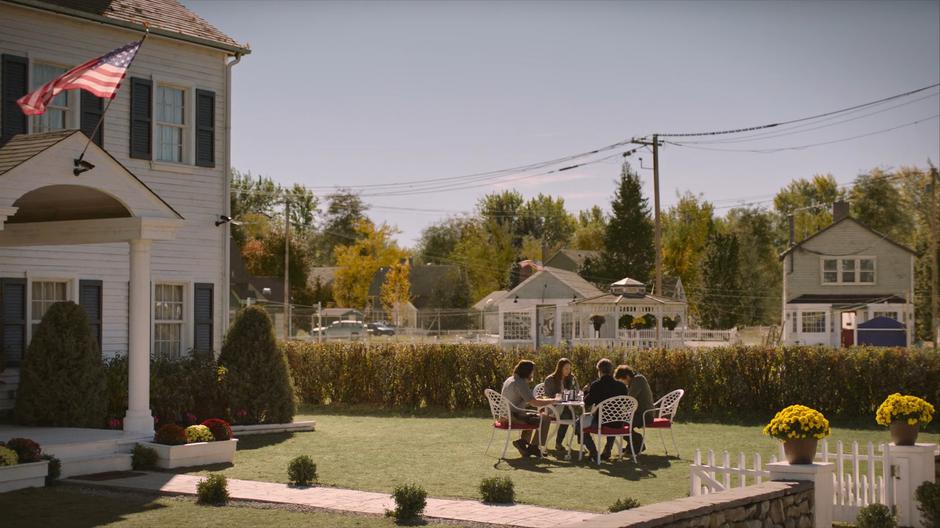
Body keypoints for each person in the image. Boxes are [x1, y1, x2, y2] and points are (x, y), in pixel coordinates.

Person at [500, 360, 555, 457]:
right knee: (545, 418)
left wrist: (537, 399)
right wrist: (553, 400)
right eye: (532, 371)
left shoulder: (511, 379)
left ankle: (523, 443)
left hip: (504, 415)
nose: (533, 373)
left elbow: (527, 399)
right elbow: (534, 403)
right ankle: (533, 447)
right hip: (513, 417)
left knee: (533, 417)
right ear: (527, 372)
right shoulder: (520, 382)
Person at [578, 358, 629, 461]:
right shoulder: (622, 386)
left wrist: (585, 392)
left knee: (579, 424)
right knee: (612, 418)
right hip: (618, 422)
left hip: (601, 423)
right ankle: (607, 450)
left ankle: (593, 452)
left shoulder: (596, 385)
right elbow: (626, 405)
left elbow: (587, 403)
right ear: (611, 370)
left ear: (599, 371)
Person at [542, 358, 579, 452]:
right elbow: (549, 396)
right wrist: (561, 395)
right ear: (560, 368)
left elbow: (576, 392)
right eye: (566, 368)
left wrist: (575, 384)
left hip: (566, 407)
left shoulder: (570, 378)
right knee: (571, 416)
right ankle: (580, 437)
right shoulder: (550, 379)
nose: (568, 371)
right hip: (552, 408)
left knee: (570, 414)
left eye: (569, 368)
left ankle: (560, 443)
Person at [614, 364, 652, 454]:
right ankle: (632, 446)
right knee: (618, 423)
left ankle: (638, 443)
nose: (623, 384)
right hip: (638, 413)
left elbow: (629, 400)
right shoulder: (635, 380)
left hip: (645, 414)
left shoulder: (638, 380)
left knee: (619, 424)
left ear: (627, 377)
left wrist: (618, 409)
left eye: (622, 381)